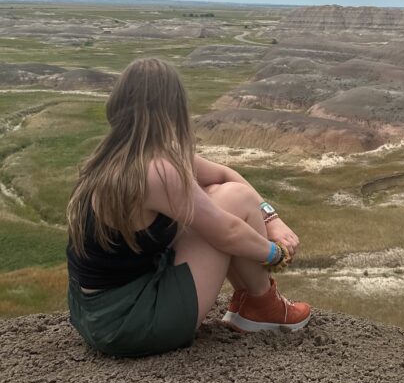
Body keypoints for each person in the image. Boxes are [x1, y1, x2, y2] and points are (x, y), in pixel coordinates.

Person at [65, 57, 311, 357]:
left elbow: (223, 173)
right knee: (233, 200)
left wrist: (272, 220)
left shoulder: (119, 155)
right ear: (173, 108)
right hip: (128, 323)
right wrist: (276, 253)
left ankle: (256, 304)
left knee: (224, 192)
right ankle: (264, 306)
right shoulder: (155, 171)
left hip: (96, 313)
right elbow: (227, 232)